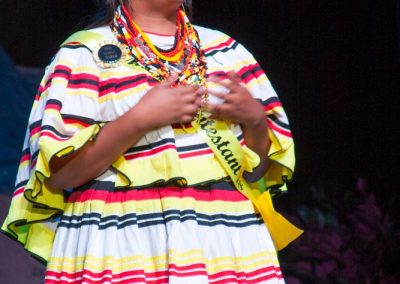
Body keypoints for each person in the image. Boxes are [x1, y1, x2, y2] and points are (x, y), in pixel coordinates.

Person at [2, 0, 301, 283]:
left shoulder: (227, 51)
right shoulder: (84, 53)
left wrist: (256, 121)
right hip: (121, 241)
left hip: (224, 241)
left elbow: (256, 174)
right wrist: (139, 120)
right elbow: (61, 176)